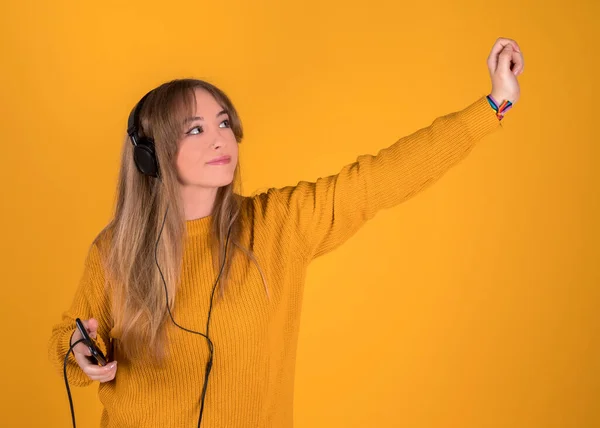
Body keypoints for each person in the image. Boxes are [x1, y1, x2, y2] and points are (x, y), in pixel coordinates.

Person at [48, 37, 524, 428]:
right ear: (151, 155)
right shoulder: (116, 248)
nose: (220, 138)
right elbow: (68, 339)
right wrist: (78, 351)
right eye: (194, 130)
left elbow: (380, 179)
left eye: (223, 123)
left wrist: (494, 105)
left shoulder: (279, 224)